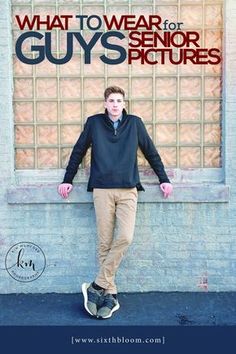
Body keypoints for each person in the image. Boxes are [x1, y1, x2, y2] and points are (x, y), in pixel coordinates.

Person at [58, 86, 173, 319]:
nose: (115, 104)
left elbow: (150, 152)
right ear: (105, 103)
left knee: (125, 237)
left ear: (124, 103)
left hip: (128, 189)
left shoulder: (135, 123)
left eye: (119, 100)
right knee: (104, 243)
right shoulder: (94, 123)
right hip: (101, 189)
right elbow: (79, 151)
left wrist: (164, 179)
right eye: (111, 100)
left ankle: (96, 285)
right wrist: (67, 179)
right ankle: (110, 296)